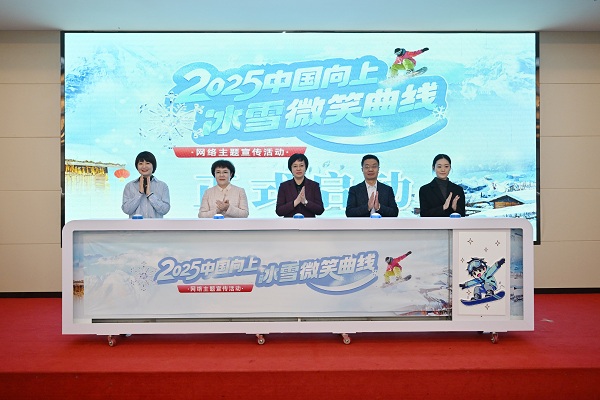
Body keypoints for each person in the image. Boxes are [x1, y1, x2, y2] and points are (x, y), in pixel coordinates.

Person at [122, 151, 170, 218]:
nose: (144, 166)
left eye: (147, 163)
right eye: (140, 163)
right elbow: (126, 210)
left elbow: (165, 210)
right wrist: (139, 193)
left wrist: (150, 194)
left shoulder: (162, 186)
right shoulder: (130, 186)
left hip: (155, 224)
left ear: (153, 165)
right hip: (136, 224)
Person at [275, 153, 324, 218]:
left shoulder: (314, 186)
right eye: (295, 166)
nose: (298, 169)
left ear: (306, 167)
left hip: (309, 223)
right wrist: (295, 202)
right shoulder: (284, 186)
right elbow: (279, 211)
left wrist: (305, 202)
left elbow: (320, 210)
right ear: (290, 168)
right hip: (289, 223)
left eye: (301, 165)